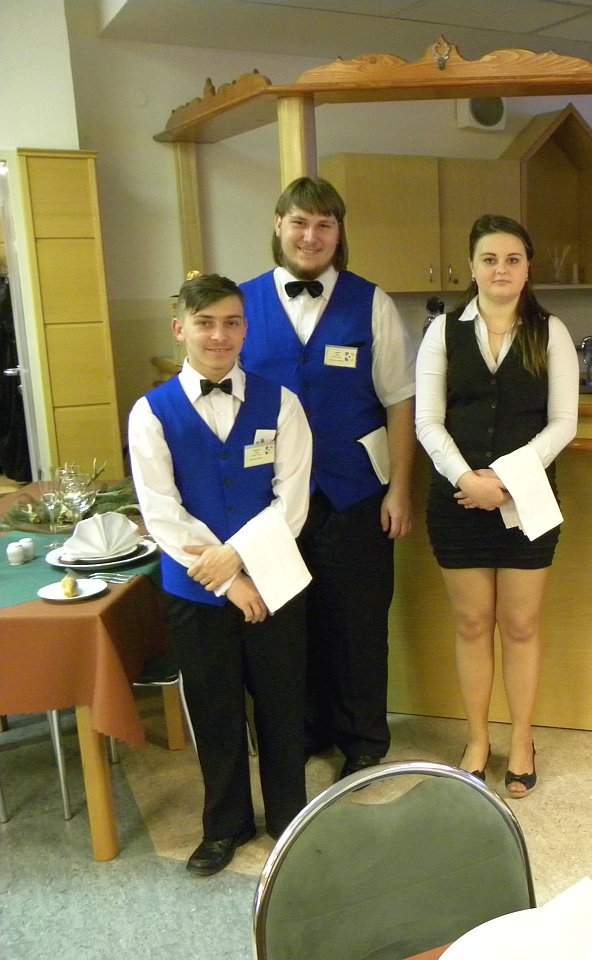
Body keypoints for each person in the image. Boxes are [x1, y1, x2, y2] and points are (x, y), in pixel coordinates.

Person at [129, 273, 312, 875]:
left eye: (232, 322)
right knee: (214, 711)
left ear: (245, 329)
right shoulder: (150, 413)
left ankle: (289, 817)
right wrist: (230, 580)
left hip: (275, 581)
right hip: (197, 592)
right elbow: (162, 513)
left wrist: (241, 560)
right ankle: (225, 825)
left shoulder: (282, 403)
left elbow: (292, 501)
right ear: (180, 329)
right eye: (205, 323)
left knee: (283, 705)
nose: (219, 335)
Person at [239, 178, 416, 782]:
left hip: (355, 492)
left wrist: (399, 488)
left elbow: (399, 400)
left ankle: (363, 739)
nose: (311, 236)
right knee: (288, 622)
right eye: (299, 222)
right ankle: (304, 730)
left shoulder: (372, 303)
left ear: (339, 234)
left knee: (358, 623)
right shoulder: (242, 305)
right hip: (269, 500)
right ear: (279, 226)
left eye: (324, 225)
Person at [416, 214, 577, 797]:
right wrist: (468, 479)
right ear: (472, 267)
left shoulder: (550, 331)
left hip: (527, 500)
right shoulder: (442, 332)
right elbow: (427, 421)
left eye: (513, 259)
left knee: (521, 624)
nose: (501, 270)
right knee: (471, 623)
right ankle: (478, 739)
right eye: (490, 259)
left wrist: (506, 479)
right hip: (457, 501)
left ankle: (524, 738)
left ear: (528, 268)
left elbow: (563, 422)